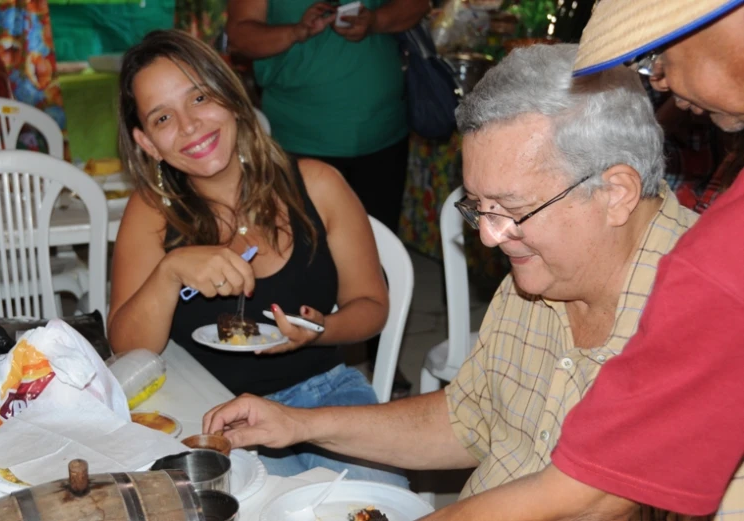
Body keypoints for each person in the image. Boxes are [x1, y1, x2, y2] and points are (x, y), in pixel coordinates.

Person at [202, 43, 700, 518]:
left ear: (615, 193)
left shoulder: (708, 312)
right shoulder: (542, 273)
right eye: (479, 207)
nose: (489, 236)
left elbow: (604, 500)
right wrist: (299, 423)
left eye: (513, 209)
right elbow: (469, 418)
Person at [106, 28, 406, 486]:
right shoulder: (152, 213)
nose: (189, 126)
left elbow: (371, 306)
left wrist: (319, 331)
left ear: (230, 96)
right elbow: (126, 347)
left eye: (200, 97)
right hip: (212, 410)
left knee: (378, 504)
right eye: (162, 118)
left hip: (327, 397)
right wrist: (170, 272)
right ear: (148, 143)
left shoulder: (318, 184)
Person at [225, 0, 430, 396]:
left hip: (380, 130)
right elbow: (241, 35)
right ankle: (291, 359)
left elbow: (416, 4)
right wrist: (297, 32)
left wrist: (376, 21)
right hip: (299, 139)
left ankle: (377, 352)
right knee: (297, 258)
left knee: (375, 258)